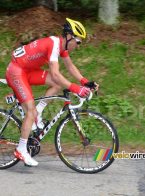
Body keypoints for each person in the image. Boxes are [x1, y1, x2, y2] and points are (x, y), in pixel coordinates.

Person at [5, 18, 99, 166]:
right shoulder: (54, 45)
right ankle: (21, 150)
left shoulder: (62, 46)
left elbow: (69, 67)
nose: (79, 45)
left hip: (27, 70)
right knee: (31, 113)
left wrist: (84, 82)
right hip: (16, 71)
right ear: (69, 36)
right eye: (78, 41)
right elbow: (55, 74)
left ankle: (38, 112)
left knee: (55, 86)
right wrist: (75, 88)